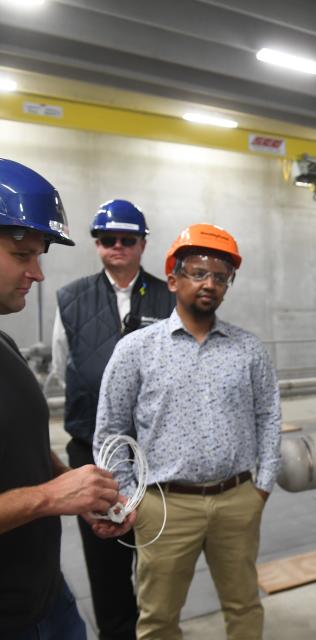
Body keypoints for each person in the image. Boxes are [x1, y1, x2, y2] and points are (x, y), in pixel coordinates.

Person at [94, 223, 282, 640]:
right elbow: (110, 431)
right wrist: (130, 499)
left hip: (237, 500)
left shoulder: (248, 349)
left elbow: (269, 415)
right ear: (174, 279)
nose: (209, 283)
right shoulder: (137, 350)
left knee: (245, 605)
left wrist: (262, 486)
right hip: (164, 506)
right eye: (198, 273)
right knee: (159, 617)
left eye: (220, 277)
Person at [0, 159, 135, 639]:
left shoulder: (5, 346)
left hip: (45, 594)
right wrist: (50, 497)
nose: (37, 273)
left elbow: (23, 449)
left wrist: (79, 490)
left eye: (40, 255)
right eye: (22, 256)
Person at [50, 199, 175, 640]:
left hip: (156, 455)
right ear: (97, 244)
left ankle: (156, 629)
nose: (117, 246)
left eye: (128, 239)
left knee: (158, 558)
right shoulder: (71, 299)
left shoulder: (169, 297)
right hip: (93, 452)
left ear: (143, 244)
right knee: (106, 559)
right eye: (107, 240)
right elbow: (62, 365)